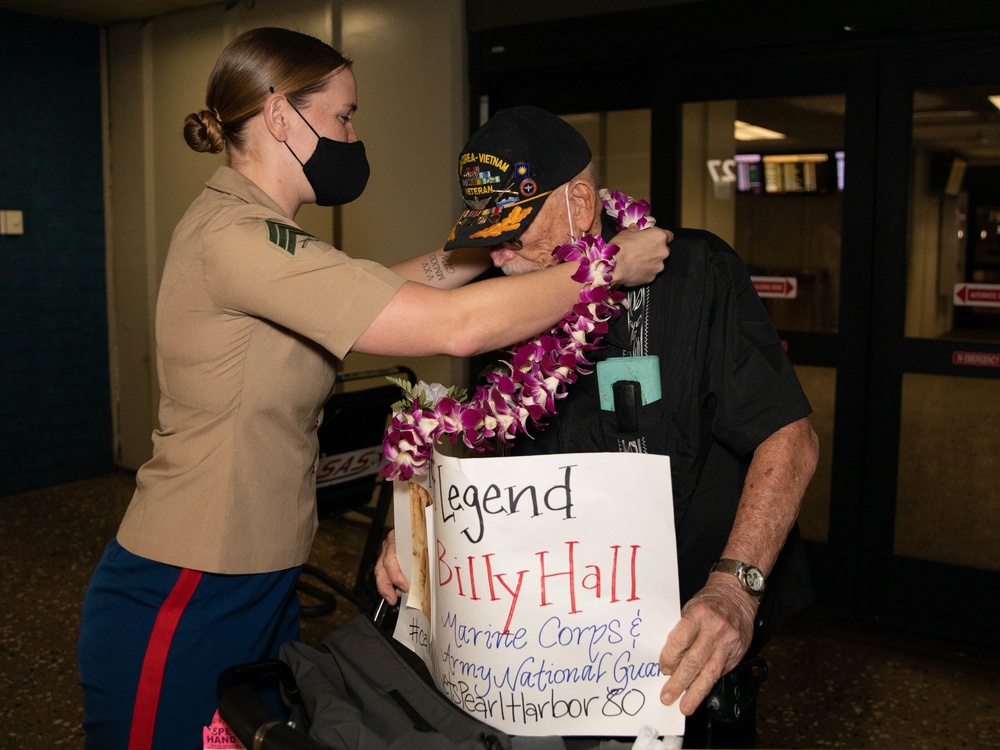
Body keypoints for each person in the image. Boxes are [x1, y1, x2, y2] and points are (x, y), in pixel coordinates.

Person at [75, 33, 669, 750]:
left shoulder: (267, 235)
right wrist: (604, 267)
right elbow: (452, 327)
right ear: (280, 117)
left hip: (257, 570)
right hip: (189, 578)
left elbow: (392, 284)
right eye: (345, 116)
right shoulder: (237, 238)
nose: (354, 136)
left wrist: (500, 237)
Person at [374, 105, 819, 748]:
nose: (499, 257)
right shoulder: (507, 302)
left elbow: (790, 439)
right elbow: (490, 456)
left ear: (580, 203)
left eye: (517, 232)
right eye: (488, 237)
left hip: (682, 651)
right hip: (544, 651)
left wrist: (735, 588)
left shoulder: (695, 274)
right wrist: (421, 529)